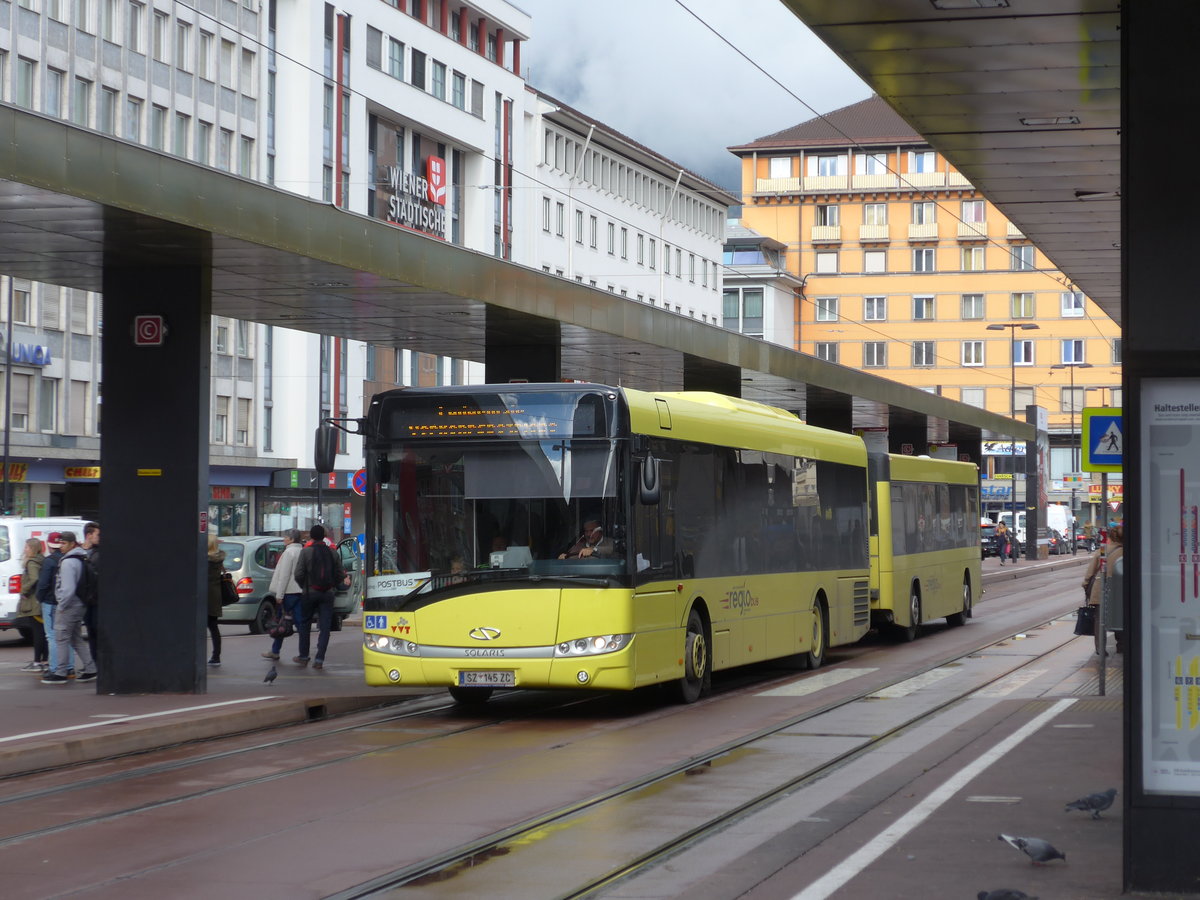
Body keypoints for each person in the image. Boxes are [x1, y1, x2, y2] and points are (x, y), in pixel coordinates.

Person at [42, 532, 97, 685]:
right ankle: (90, 668)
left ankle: (60, 672)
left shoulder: (67, 562)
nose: (61, 546)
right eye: (60, 543)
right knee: (75, 638)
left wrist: (61, 606)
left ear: (72, 544)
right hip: (80, 604)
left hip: (69, 606)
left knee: (61, 638)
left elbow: (67, 589)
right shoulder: (81, 557)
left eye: (64, 543)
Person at [293, 524, 347, 670]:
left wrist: (304, 586)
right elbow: (340, 574)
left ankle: (303, 656)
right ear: (324, 536)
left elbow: (298, 574)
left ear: (311, 536)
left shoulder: (306, 552)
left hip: (309, 593)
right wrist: (332, 585)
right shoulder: (332, 553)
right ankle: (319, 659)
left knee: (305, 624)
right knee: (325, 627)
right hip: (327, 594)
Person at [1083, 523, 1124, 654]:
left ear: (1111, 537)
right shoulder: (1127, 551)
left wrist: (1086, 586)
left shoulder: (1102, 551)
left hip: (1101, 590)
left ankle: (1100, 648)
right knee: (1120, 617)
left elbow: (1090, 573)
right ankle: (1121, 646)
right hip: (1120, 591)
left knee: (1100, 620)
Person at [263, 529, 303, 661]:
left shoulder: (288, 553)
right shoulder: (302, 551)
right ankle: (304, 652)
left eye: (286, 537)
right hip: (301, 591)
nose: (283, 539)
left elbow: (284, 576)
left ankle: (275, 650)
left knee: (281, 622)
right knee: (300, 623)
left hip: (289, 592)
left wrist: (279, 595)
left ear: (291, 539)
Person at [36, 532, 71, 678]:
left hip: (50, 602)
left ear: (49, 545)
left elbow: (43, 583)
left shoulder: (49, 561)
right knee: (66, 636)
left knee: (52, 636)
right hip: (65, 601)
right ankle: (69, 666)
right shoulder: (67, 558)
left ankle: (55, 667)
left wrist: (39, 598)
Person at [17, 537, 47, 672]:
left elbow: (35, 579)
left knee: (37, 633)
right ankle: (45, 660)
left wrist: (24, 589)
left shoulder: (31, 562)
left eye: (27, 547)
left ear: (33, 549)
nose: (25, 550)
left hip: (33, 602)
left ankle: (37, 662)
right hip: (40, 601)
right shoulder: (42, 560)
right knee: (43, 632)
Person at [82, 522, 100, 664]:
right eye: (98, 535)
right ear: (89, 535)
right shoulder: (85, 554)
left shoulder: (96, 553)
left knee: (95, 633)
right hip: (90, 601)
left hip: (94, 600)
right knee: (92, 633)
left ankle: (96, 663)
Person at [206, 533, 225, 667]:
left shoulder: (206, 560)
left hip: (205, 596)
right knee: (213, 627)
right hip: (215, 596)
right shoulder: (219, 559)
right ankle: (216, 656)